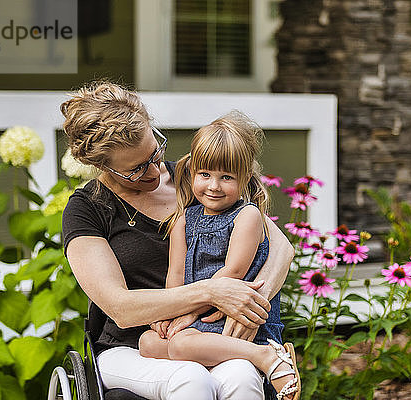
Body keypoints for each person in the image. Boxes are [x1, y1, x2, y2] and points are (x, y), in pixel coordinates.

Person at [60, 81, 295, 400]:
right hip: (134, 345)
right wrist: (212, 292)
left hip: (209, 334)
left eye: (155, 151)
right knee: (190, 377)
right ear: (102, 166)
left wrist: (252, 304)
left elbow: (280, 246)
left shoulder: (198, 177)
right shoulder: (88, 209)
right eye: (136, 169)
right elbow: (121, 308)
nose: (154, 169)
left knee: (241, 376)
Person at [137, 112, 301, 400]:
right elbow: (175, 275)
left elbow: (234, 272)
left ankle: (266, 355)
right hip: (196, 318)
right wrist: (168, 315)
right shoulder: (184, 220)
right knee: (147, 343)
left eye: (226, 177)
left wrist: (188, 313)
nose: (214, 186)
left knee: (179, 347)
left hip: (233, 316)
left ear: (245, 178)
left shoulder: (247, 215)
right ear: (192, 172)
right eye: (205, 175)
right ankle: (207, 353)